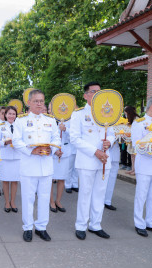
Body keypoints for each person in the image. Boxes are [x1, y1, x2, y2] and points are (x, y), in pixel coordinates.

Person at [13, 89, 61, 242]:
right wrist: (31, 151)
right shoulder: (20, 121)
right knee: (28, 199)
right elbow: (16, 141)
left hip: (46, 166)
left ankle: (41, 227)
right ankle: (27, 227)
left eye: (42, 101)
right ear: (29, 103)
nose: (40, 104)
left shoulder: (50, 120)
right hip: (29, 166)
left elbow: (56, 138)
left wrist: (51, 149)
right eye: (36, 101)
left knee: (45, 197)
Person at [70, 82, 115, 240]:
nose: (97, 94)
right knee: (85, 193)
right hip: (88, 160)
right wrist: (95, 151)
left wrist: (109, 141)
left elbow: (112, 132)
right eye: (93, 91)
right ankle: (81, 225)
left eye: (99, 92)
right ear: (85, 95)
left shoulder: (106, 112)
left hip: (104, 160)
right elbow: (74, 139)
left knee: (100, 194)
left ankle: (96, 225)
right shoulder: (78, 114)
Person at [131, 96, 152, 237]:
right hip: (145, 165)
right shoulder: (139, 123)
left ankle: (151, 222)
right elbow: (136, 146)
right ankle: (139, 223)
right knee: (142, 195)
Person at [0, 106, 20, 212]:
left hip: (17, 156)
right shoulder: (0, 126)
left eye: (13, 114)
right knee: (5, 180)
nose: (11, 116)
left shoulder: (19, 126)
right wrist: (4, 142)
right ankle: (7, 202)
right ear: (5, 115)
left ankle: (13, 201)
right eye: (9, 113)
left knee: (14, 181)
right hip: (5, 156)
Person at [49, 116, 72, 213]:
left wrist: (66, 129)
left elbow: (75, 135)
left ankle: (58, 201)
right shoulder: (50, 120)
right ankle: (51, 202)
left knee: (61, 178)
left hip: (65, 153)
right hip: (52, 154)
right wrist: (55, 151)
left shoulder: (70, 120)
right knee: (50, 179)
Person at [104, 139, 120, 211]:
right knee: (102, 179)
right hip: (104, 152)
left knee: (112, 180)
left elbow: (122, 141)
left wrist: (122, 137)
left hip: (115, 153)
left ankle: (107, 201)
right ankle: (98, 199)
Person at [124, 106, 140, 175]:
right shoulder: (131, 119)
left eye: (126, 113)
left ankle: (136, 170)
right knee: (132, 155)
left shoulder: (137, 119)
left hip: (135, 139)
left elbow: (137, 130)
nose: (126, 115)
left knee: (135, 155)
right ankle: (133, 169)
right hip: (130, 138)